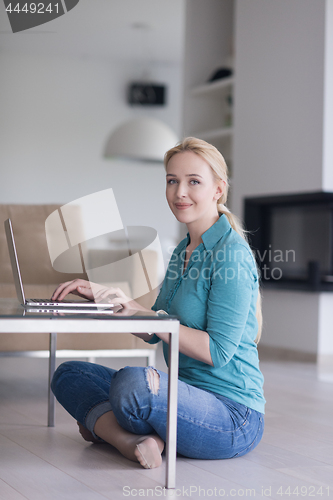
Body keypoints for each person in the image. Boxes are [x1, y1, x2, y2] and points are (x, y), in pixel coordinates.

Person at [51, 137, 265, 469]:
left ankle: (108, 427)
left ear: (218, 189)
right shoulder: (184, 250)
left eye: (194, 181)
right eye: (172, 181)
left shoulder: (230, 253)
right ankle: (132, 440)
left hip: (232, 415)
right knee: (69, 374)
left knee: (134, 385)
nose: (180, 192)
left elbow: (217, 352)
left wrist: (151, 320)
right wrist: (108, 299)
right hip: (179, 392)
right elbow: (155, 328)